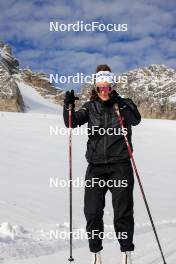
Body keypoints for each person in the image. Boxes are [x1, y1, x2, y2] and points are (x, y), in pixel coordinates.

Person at [63, 64, 141, 264]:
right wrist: (68, 106)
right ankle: (95, 254)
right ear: (96, 89)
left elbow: (136, 119)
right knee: (92, 212)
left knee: (122, 212)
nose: (104, 91)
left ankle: (126, 254)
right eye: (100, 88)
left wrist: (121, 103)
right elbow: (71, 122)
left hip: (120, 166)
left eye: (108, 87)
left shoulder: (124, 104)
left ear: (113, 86)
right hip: (96, 167)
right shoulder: (90, 107)